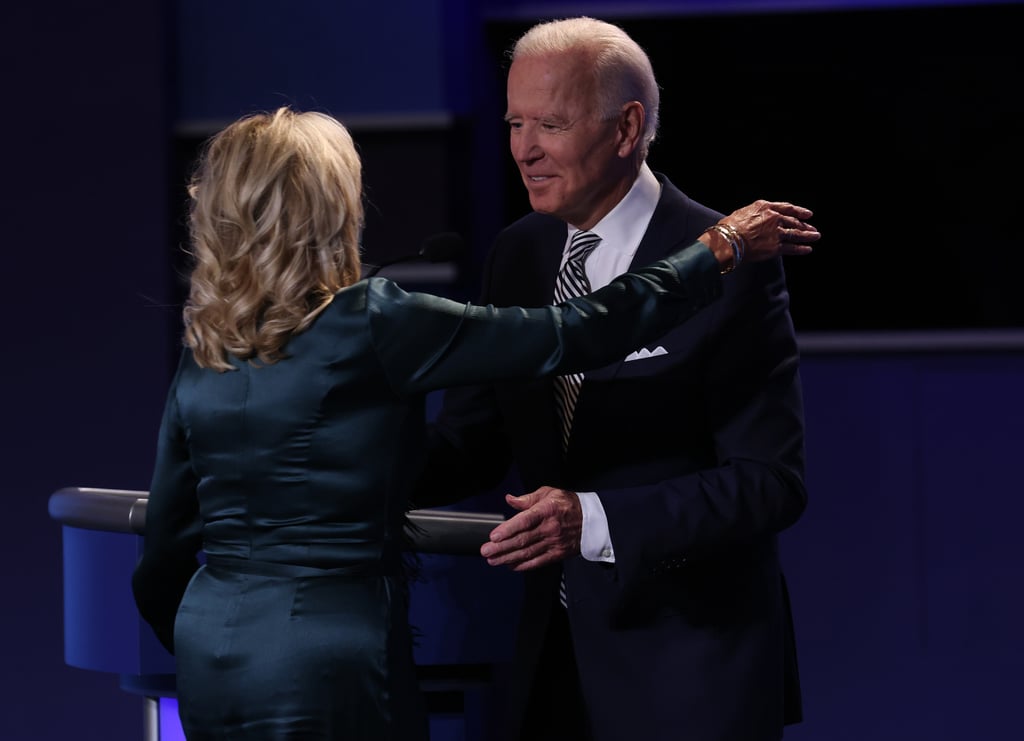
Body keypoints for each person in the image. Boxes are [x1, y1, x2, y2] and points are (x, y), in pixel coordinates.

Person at [129, 105, 817, 740]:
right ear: (328, 207)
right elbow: (578, 331)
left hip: (211, 654)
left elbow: (161, 555)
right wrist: (716, 249)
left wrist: (213, 633)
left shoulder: (206, 350)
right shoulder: (374, 320)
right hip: (332, 657)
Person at [413, 16, 813, 741]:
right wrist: (342, 465)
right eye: (514, 123)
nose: (524, 151)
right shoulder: (520, 253)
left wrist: (590, 519)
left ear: (627, 128)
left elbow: (769, 482)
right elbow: (471, 439)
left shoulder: (727, 263)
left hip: (690, 668)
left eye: (551, 125)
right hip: (549, 666)